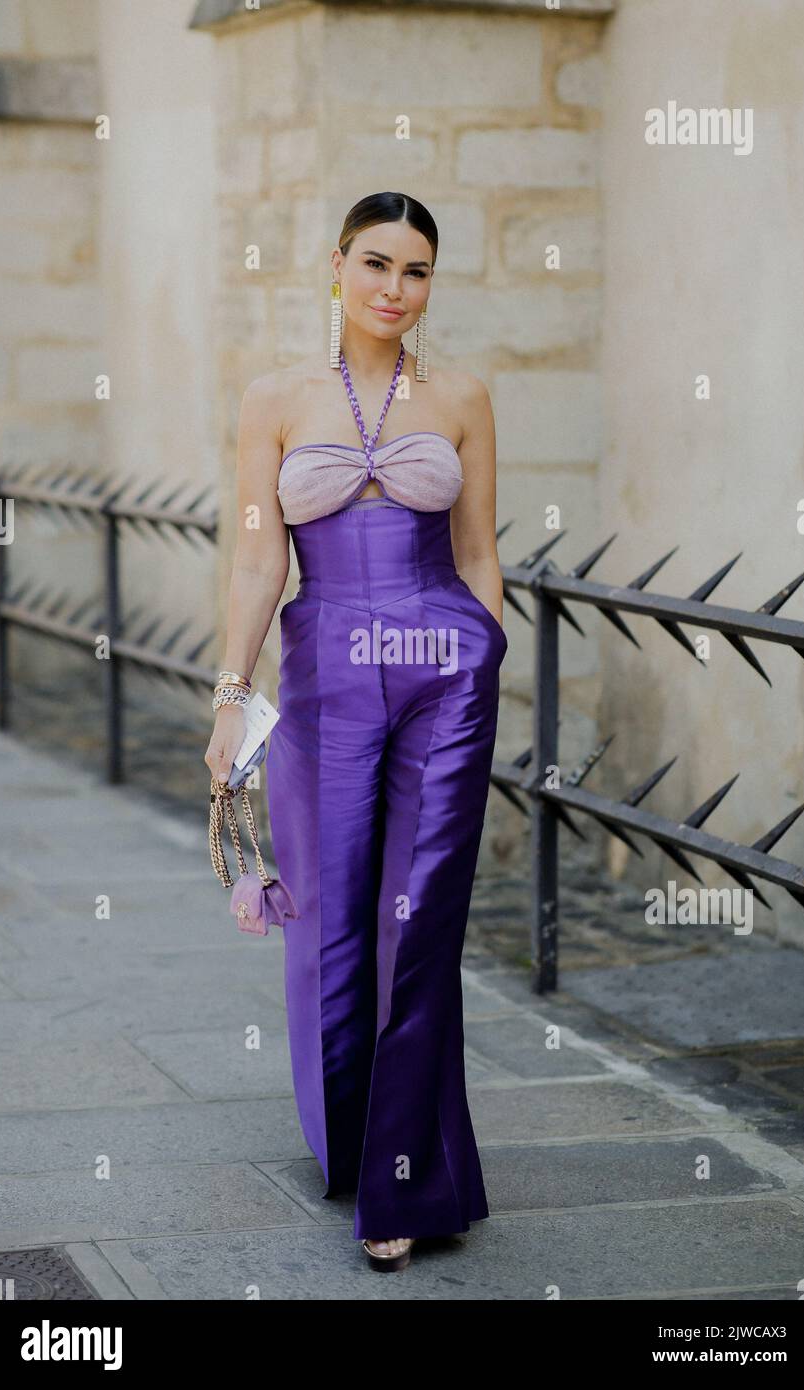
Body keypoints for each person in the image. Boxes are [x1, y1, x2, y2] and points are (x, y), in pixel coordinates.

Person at [205, 191, 507, 1272]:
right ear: (334, 265)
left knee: (415, 921)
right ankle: (347, 1134)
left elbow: (477, 553)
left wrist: (484, 650)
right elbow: (254, 557)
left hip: (442, 673)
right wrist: (231, 696)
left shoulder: (462, 396)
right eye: (376, 263)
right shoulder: (274, 400)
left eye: (417, 271)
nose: (394, 289)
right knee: (329, 919)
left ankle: (403, 1181)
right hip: (324, 673)